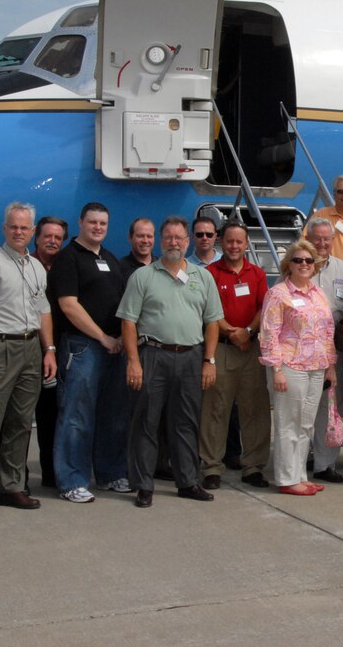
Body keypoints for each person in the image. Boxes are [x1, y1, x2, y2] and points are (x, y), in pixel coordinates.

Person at [118, 216, 223, 508]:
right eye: (168, 238)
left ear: (187, 241)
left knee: (186, 422)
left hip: (191, 357)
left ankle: (188, 482)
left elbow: (213, 322)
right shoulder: (143, 277)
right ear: (161, 242)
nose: (174, 243)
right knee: (146, 422)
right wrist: (134, 362)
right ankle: (143, 485)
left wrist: (209, 360)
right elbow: (128, 322)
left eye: (179, 238)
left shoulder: (203, 278)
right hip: (153, 354)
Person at [0, 202, 57, 517]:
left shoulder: (36, 267)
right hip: (0, 348)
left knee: (20, 422)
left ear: (33, 231)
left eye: (24, 227)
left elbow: (43, 311)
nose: (19, 232)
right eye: (13, 226)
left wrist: (49, 350)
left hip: (31, 348)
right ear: (5, 229)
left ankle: (12, 486)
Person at [49, 202, 130, 503]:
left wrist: (120, 337)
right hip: (83, 348)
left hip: (114, 348)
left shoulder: (110, 258)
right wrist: (103, 338)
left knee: (114, 415)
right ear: (81, 222)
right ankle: (72, 480)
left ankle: (110, 474)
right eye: (92, 222)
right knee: (76, 416)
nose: (98, 227)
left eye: (103, 223)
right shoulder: (68, 258)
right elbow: (69, 305)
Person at [259, 241, 339, 495]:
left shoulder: (318, 293)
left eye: (308, 260)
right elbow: (269, 333)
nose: (304, 264)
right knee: (288, 424)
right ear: (288, 265)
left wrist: (330, 367)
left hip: (316, 367)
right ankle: (286, 479)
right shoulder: (278, 294)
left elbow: (328, 332)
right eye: (298, 260)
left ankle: (299, 475)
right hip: (290, 366)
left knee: (306, 425)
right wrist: (276, 370)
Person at [200, 221, 271, 490]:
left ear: (247, 244)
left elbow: (264, 308)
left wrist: (249, 331)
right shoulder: (210, 273)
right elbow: (208, 310)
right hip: (220, 348)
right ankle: (211, 467)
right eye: (229, 241)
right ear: (222, 242)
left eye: (239, 242)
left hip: (251, 349)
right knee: (215, 409)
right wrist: (232, 333)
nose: (234, 246)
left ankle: (253, 466)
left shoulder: (257, 274)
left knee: (255, 409)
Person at [305, 218, 343, 483]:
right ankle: (299, 460)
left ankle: (325, 464)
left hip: (334, 348)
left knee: (331, 406)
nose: (322, 244)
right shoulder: (296, 265)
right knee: (303, 407)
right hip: (302, 349)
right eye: (317, 238)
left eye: (327, 239)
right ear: (309, 238)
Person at [30, 215, 68, 489]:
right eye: (48, 236)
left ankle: (50, 473)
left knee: (51, 416)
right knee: (18, 419)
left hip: (58, 352)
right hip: (28, 348)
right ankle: (15, 479)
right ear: (37, 238)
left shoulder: (66, 267)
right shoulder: (26, 266)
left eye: (58, 237)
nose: (53, 241)